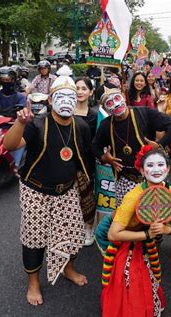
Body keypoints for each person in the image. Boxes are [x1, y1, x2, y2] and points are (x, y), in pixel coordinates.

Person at [3, 71, 92, 306]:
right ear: (51, 100)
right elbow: (10, 145)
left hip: (67, 191)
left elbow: (85, 157)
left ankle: (68, 268)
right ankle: (33, 283)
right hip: (36, 191)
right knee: (35, 239)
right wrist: (20, 123)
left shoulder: (81, 126)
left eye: (72, 97)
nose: (67, 101)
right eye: (60, 96)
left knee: (73, 234)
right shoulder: (38, 124)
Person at [101, 146, 171, 317]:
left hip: (144, 238)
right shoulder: (133, 196)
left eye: (161, 164)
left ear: (168, 169)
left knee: (148, 274)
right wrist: (147, 234)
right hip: (119, 235)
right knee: (129, 278)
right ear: (141, 170)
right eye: (150, 165)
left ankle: (148, 309)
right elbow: (113, 233)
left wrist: (167, 230)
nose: (156, 169)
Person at [92, 87, 171, 206]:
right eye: (109, 103)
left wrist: (160, 145)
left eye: (117, 98)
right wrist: (105, 158)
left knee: (153, 217)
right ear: (106, 109)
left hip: (151, 178)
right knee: (127, 221)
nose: (115, 105)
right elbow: (95, 146)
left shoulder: (144, 113)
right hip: (124, 180)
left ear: (123, 97)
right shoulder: (106, 125)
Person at [74, 76, 98, 246]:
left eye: (84, 88)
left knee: (87, 197)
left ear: (90, 92)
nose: (80, 91)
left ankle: (89, 227)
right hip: (67, 162)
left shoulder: (95, 116)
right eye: (77, 88)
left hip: (87, 163)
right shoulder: (65, 111)